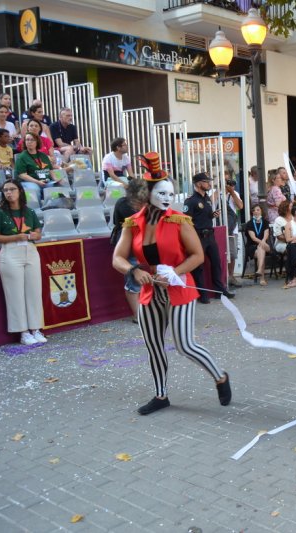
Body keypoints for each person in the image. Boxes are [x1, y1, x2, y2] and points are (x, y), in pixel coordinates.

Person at [112, 153, 231, 415]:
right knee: (153, 345)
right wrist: (133, 270)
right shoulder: (132, 223)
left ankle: (220, 376)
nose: (167, 198)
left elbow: (198, 256)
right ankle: (161, 395)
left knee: (184, 345)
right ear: (146, 194)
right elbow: (117, 258)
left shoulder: (179, 220)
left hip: (179, 288)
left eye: (170, 193)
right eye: (162, 193)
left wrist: (174, 273)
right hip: (149, 290)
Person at [0, 179, 46, 346]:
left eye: (12, 189)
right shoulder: (0, 213)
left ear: (20, 191)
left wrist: (35, 235)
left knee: (34, 291)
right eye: (5, 190)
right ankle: (23, 332)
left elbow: (38, 232)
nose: (8, 193)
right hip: (10, 252)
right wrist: (16, 237)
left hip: (30, 250)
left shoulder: (29, 211)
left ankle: (36, 328)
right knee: (15, 293)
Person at [183, 172, 235, 303]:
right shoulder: (191, 201)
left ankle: (219, 291)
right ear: (199, 184)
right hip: (198, 236)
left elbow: (203, 216)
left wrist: (212, 215)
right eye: (206, 182)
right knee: (198, 266)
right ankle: (202, 294)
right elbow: (186, 221)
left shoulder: (206, 198)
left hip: (210, 235)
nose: (209, 184)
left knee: (216, 263)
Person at [111, 178, 148, 323]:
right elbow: (136, 221)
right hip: (128, 242)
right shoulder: (123, 203)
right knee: (133, 279)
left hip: (142, 242)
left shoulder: (145, 203)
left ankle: (146, 312)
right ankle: (138, 316)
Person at [14, 132, 65, 200]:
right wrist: (37, 182)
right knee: (35, 189)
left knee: (57, 187)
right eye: (27, 140)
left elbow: (50, 170)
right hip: (29, 182)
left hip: (45, 181)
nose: (29, 142)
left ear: (37, 142)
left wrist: (56, 179)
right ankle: (39, 208)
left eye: (32, 140)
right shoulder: (22, 157)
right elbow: (22, 175)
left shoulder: (43, 155)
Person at [224, 174, 244, 288]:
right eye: (226, 181)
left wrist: (231, 192)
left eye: (229, 181)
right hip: (220, 227)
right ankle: (223, 276)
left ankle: (231, 276)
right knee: (222, 253)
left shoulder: (234, 194)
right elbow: (212, 202)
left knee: (232, 253)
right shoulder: (216, 192)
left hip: (232, 228)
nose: (228, 184)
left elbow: (241, 206)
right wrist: (220, 190)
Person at [245, 204, 271, 285]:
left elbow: (266, 234)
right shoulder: (249, 223)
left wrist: (263, 242)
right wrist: (262, 243)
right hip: (252, 247)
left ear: (261, 211)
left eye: (258, 210)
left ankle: (260, 271)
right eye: (254, 210)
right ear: (252, 212)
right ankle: (262, 278)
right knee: (261, 250)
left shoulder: (265, 222)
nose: (256, 212)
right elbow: (253, 238)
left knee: (261, 248)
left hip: (264, 245)